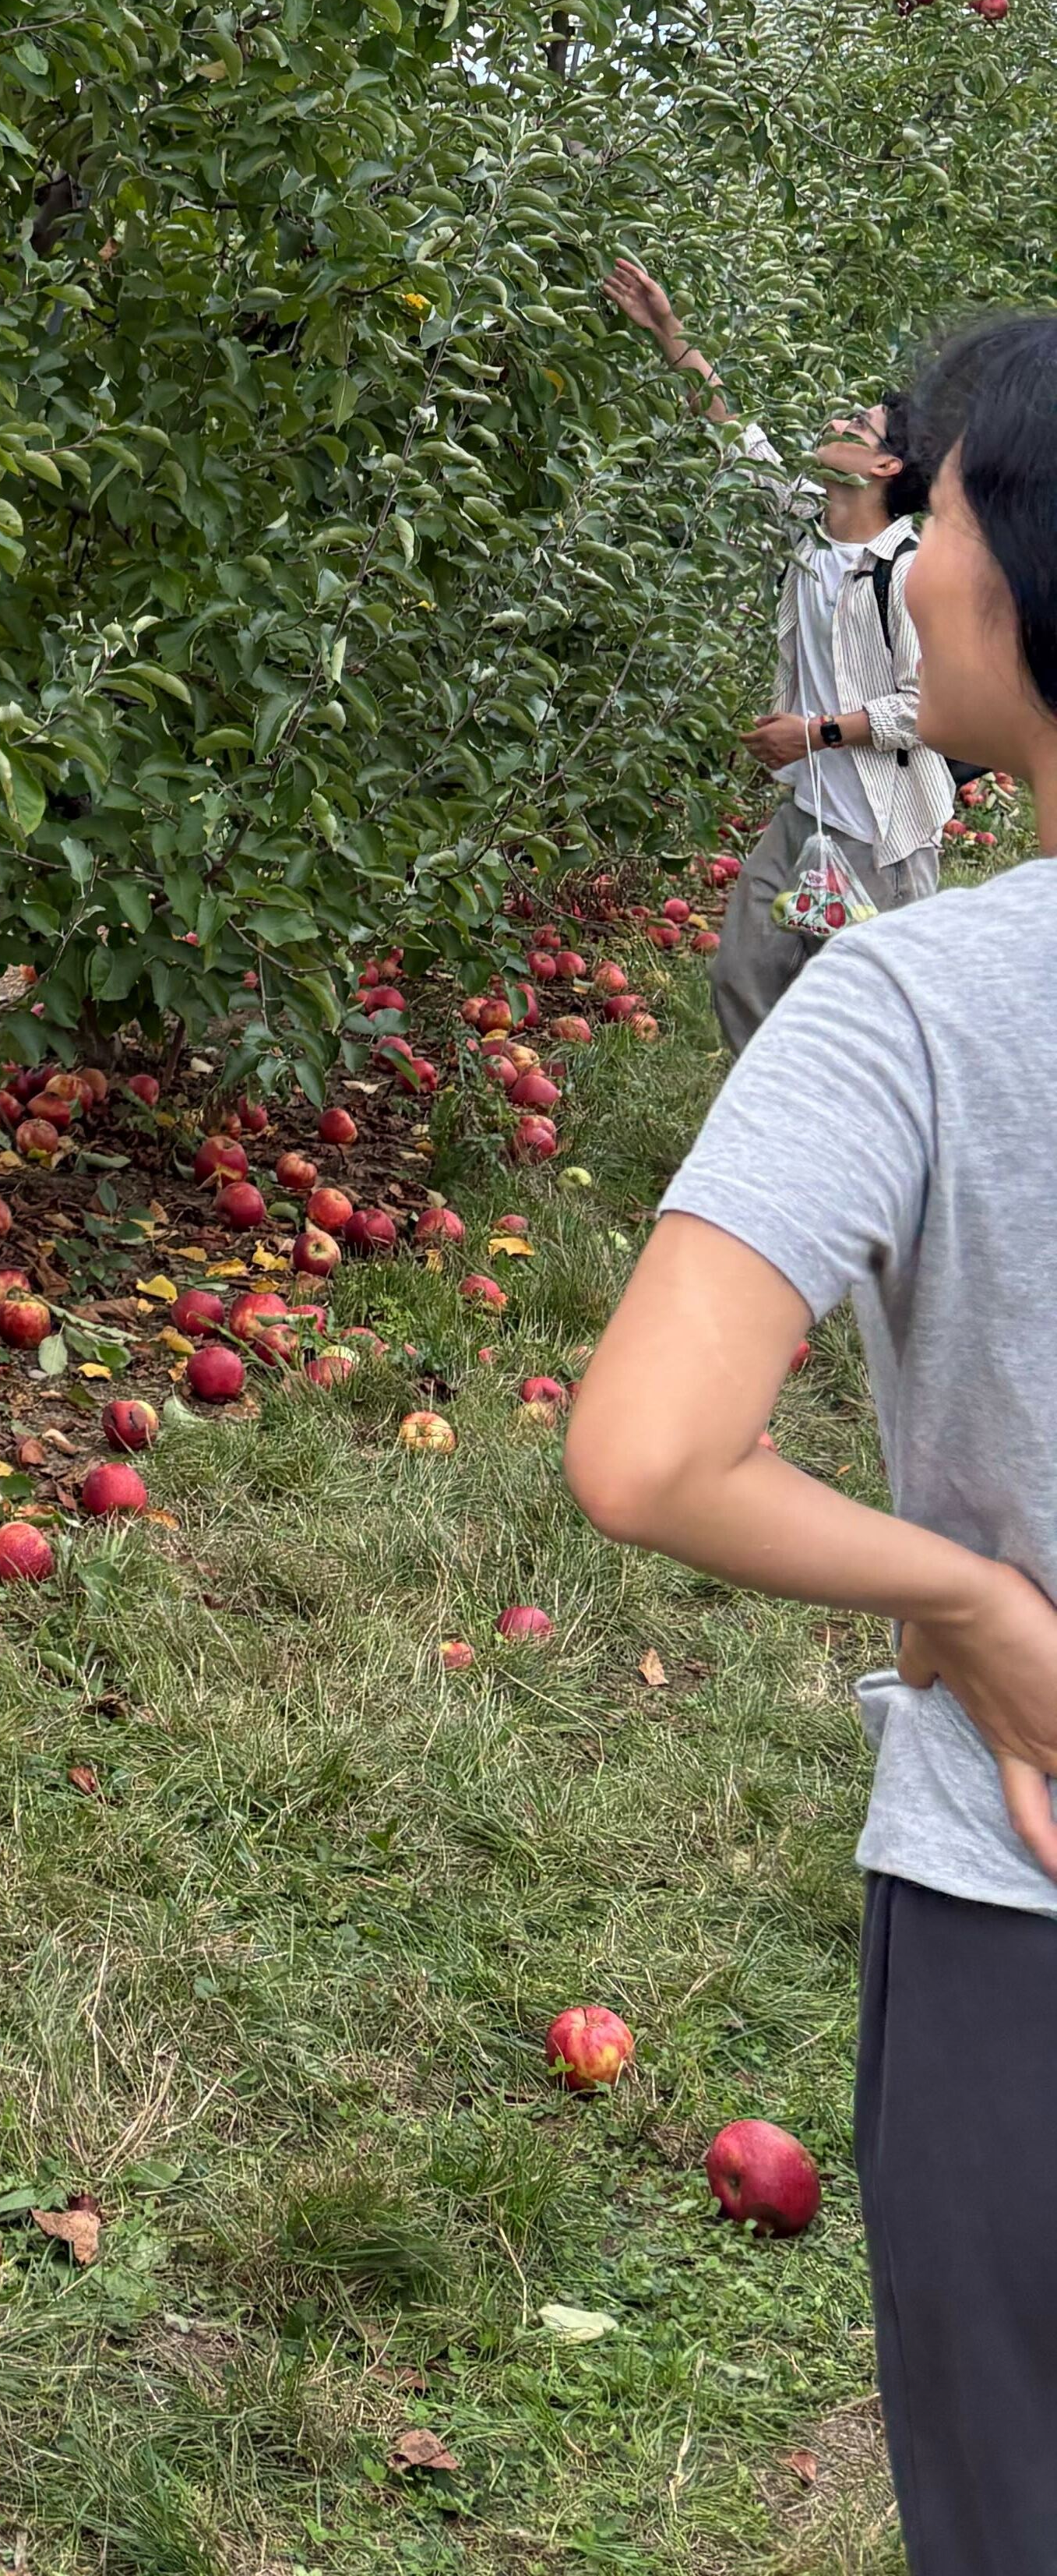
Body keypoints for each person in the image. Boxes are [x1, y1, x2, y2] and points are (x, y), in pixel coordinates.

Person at [566, 312, 1057, 2576]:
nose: (920, 543)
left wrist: (965, 1599)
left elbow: (652, 1447)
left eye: (947, 502)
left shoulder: (936, 1000)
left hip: (1015, 1907)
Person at [601, 258, 950, 1050]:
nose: (836, 424)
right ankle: (783, 1139)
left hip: (882, 839)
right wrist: (667, 328)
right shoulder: (807, 528)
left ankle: (865, 1155)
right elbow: (731, 434)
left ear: (886, 467)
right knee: (744, 977)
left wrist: (815, 733)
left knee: (868, 1025)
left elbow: (931, 708)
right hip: (808, 820)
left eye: (857, 428)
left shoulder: (914, 576)